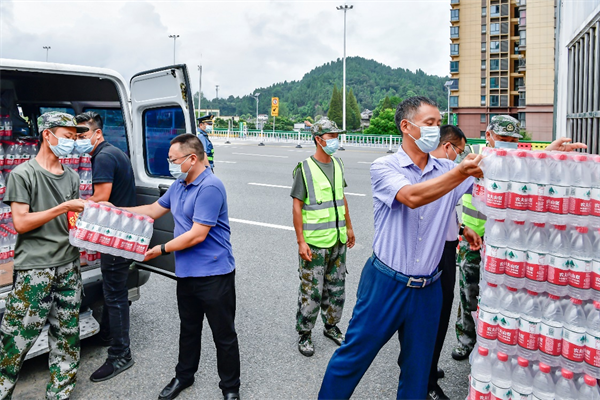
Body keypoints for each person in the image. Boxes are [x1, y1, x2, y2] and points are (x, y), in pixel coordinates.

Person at [318, 97, 484, 400]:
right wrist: (459, 173)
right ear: (406, 127)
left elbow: (496, 180)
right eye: (430, 123)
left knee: (418, 373)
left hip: (428, 289)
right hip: (386, 283)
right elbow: (411, 196)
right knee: (352, 359)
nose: (436, 129)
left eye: (438, 122)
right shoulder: (384, 167)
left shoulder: (447, 169)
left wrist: (544, 159)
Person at [451, 115, 588, 361]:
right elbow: (474, 174)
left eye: (513, 140)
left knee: (498, 294)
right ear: (489, 136)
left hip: (504, 241)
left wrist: (548, 153)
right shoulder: (472, 158)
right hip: (474, 237)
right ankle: (466, 340)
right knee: (469, 292)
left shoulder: (514, 161)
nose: (508, 145)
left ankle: (491, 340)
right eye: (503, 139)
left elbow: (528, 171)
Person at [121, 133, 240, 400]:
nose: (171, 164)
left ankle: (230, 388)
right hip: (186, 273)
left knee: (223, 334)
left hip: (214, 274)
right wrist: (115, 209)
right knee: (189, 329)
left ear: (192, 158)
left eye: (174, 160)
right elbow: (153, 211)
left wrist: (161, 249)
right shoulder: (180, 183)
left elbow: (198, 234)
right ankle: (184, 376)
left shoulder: (210, 187)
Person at [0, 112, 87, 399]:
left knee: (67, 337)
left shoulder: (72, 176)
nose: (71, 143)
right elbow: (21, 222)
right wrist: (63, 208)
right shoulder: (23, 174)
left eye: (75, 138)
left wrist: (92, 228)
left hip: (68, 266)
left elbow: (72, 224)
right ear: (47, 135)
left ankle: (60, 394)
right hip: (35, 270)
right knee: (15, 340)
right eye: (66, 136)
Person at [74, 111, 137, 382]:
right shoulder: (113, 152)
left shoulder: (103, 157)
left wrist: (74, 204)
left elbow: (101, 197)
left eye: (83, 134)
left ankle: (120, 354)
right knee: (115, 289)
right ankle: (109, 333)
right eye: (76, 135)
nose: (79, 140)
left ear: (97, 133)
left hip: (116, 234)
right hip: (124, 231)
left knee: (115, 293)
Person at [290, 117, 355, 357]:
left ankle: (331, 326)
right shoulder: (304, 168)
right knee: (312, 290)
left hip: (337, 239)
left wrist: (349, 227)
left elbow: (342, 198)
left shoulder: (338, 164)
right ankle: (305, 333)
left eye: (337, 136)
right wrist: (301, 241)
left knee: (336, 287)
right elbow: (297, 207)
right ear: (318, 139)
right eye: (331, 136)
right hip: (315, 243)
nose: (336, 140)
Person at [426, 125, 482, 400]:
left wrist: (461, 230)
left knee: (435, 315)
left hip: (446, 246)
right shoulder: (442, 173)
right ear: (448, 147)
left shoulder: (440, 171)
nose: (461, 157)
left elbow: (446, 213)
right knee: (436, 316)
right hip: (437, 253)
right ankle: (426, 381)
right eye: (460, 151)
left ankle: (427, 367)